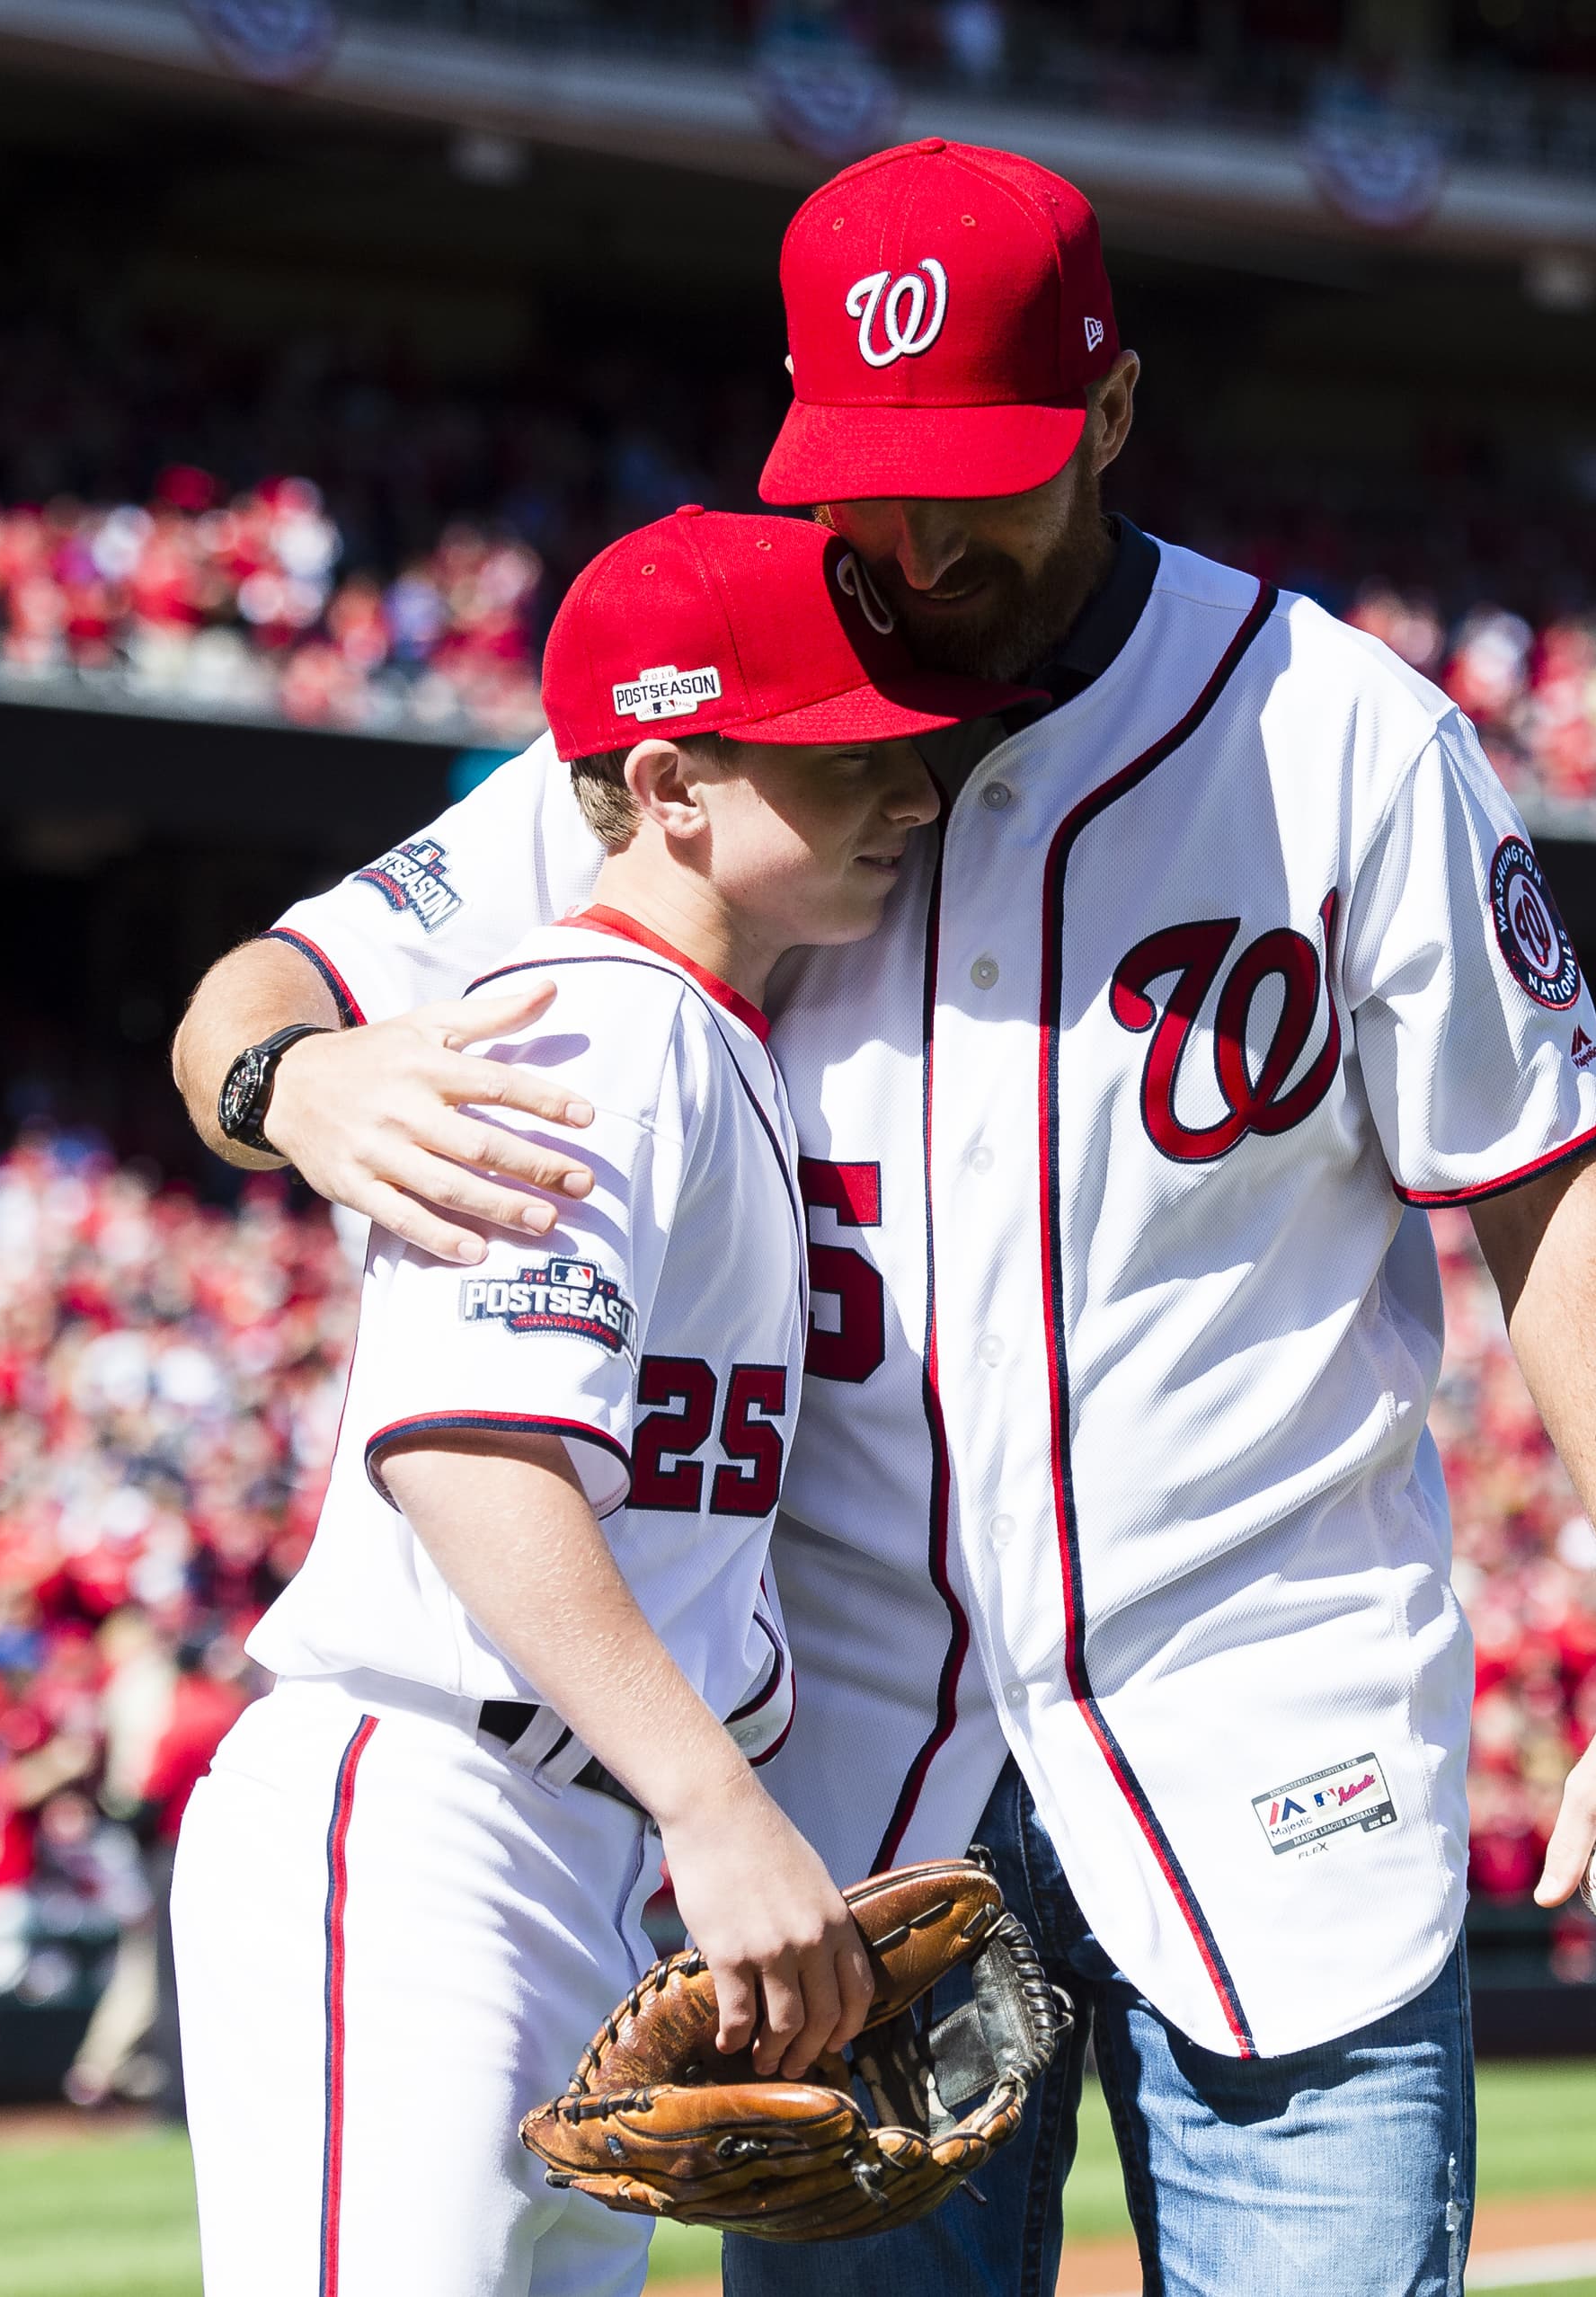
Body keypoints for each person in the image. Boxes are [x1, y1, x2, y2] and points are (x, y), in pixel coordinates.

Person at [171, 137, 1596, 2294]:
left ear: (1112, 415)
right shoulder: (745, 720)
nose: (918, 541)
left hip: (1262, 1713)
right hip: (839, 1791)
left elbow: (1550, 1203)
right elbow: (255, 997)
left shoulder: (1339, 742)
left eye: (982, 475)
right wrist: (305, 1073)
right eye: (869, 475)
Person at [166, 506, 1026, 2295]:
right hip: (434, 1812)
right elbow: (472, 1457)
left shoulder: (705, 1034)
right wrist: (717, 1806)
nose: (914, 794)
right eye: (851, 756)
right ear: (675, 784)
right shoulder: (594, 1027)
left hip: (577, 1840)